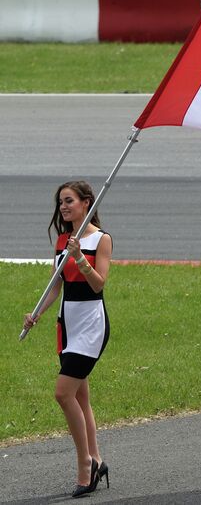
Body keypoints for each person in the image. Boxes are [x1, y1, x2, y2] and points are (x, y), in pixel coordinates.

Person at [22, 181, 113, 498]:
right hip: (67, 325)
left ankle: (84, 466)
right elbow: (55, 287)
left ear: (86, 202)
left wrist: (80, 257)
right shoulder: (63, 239)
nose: (62, 206)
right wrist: (36, 314)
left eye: (69, 200)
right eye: (60, 202)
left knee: (63, 394)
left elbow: (98, 285)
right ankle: (98, 460)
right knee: (80, 399)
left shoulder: (101, 239)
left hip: (91, 324)